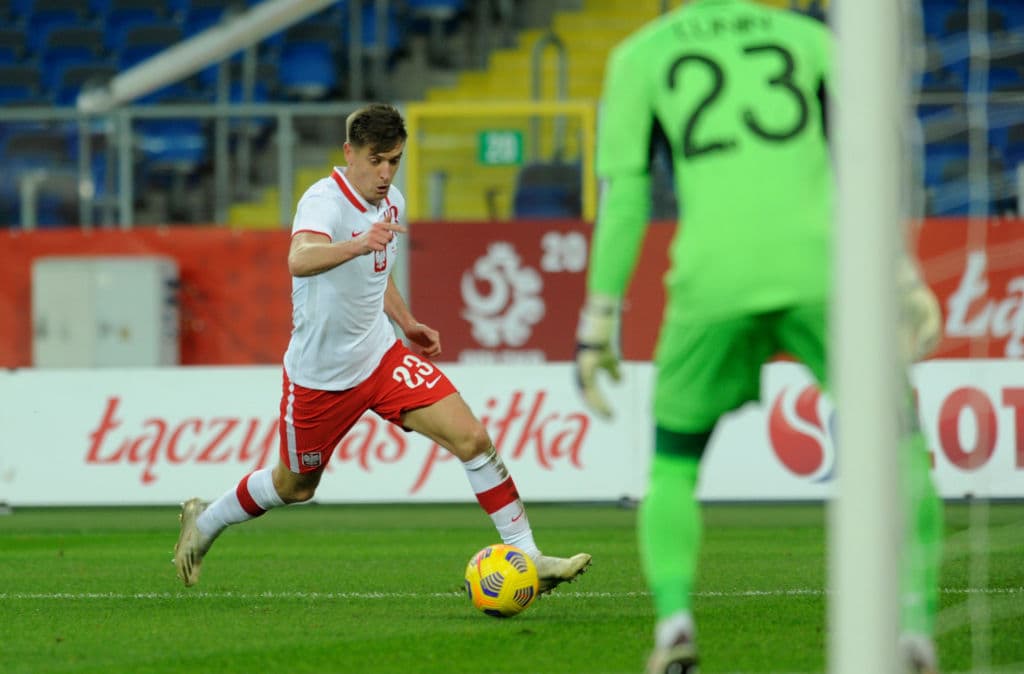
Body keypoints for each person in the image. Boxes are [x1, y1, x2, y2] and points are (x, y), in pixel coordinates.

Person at [573, 3, 943, 673]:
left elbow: (625, 198)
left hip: (712, 278)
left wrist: (597, 321)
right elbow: (869, 155)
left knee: (674, 463)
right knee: (902, 442)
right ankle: (914, 626)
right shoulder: (810, 37)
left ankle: (675, 623)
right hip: (825, 272)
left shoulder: (638, 55)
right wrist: (900, 271)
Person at [174, 103, 591, 596]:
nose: (386, 172)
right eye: (377, 160)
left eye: (394, 160)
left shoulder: (391, 202)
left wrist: (407, 321)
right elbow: (299, 258)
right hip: (321, 377)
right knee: (295, 487)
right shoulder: (323, 201)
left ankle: (529, 555)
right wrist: (357, 242)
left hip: (381, 358)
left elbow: (375, 272)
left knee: (472, 439)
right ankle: (205, 521)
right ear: (350, 153)